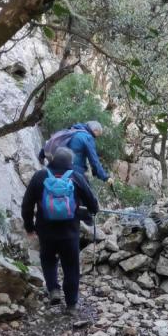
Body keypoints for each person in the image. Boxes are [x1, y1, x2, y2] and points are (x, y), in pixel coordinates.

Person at [21, 147, 100, 314]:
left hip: (46, 230)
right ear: (70, 162)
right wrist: (82, 211)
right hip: (70, 232)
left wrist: (29, 227)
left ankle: (53, 290)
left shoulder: (40, 176)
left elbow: (27, 205)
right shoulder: (76, 177)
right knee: (71, 266)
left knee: (48, 260)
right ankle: (71, 305)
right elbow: (94, 206)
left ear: (52, 160)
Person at [38, 121, 110, 182]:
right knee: (85, 189)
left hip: (54, 165)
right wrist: (105, 177)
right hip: (71, 171)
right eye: (97, 136)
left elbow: (54, 141)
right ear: (95, 130)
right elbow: (94, 160)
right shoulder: (88, 137)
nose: (95, 138)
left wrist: (42, 155)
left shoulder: (72, 130)